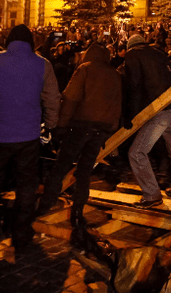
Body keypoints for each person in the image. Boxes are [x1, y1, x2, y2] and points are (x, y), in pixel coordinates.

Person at [0, 25, 60, 253]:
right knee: (26, 187)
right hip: (27, 138)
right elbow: (52, 99)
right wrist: (51, 126)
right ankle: (22, 235)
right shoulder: (42, 64)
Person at [38, 42, 121, 249]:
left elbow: (70, 98)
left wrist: (60, 125)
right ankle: (77, 213)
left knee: (61, 166)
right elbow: (117, 104)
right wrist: (108, 129)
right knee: (84, 172)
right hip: (100, 129)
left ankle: (44, 205)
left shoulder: (85, 69)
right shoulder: (114, 74)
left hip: (80, 125)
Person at [123, 34, 171, 208]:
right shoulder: (158, 52)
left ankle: (152, 195)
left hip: (157, 109)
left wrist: (133, 114)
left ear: (130, 46)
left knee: (136, 153)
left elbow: (135, 85)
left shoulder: (133, 55)